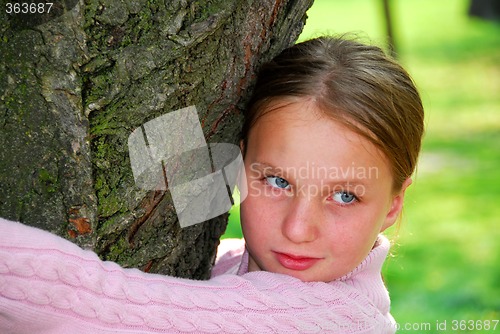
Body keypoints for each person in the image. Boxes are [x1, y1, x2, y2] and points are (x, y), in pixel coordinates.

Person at [0, 35, 424, 333]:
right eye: (277, 181)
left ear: (392, 205)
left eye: (345, 195)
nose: (297, 229)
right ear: (239, 164)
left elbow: (103, 308)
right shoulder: (239, 258)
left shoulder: (330, 320)